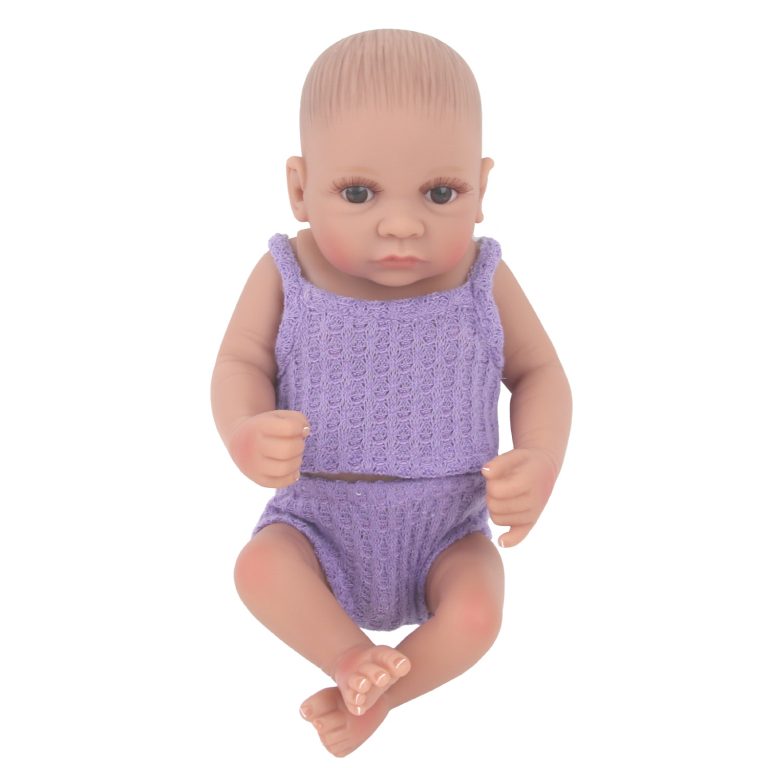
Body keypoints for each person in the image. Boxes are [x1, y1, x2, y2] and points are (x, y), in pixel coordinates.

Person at [211, 29, 572, 757]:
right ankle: (348, 657)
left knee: (476, 614)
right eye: (358, 192)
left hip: (449, 530)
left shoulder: (481, 276)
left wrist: (539, 459)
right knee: (259, 569)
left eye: (441, 193)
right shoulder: (289, 272)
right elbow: (239, 360)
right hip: (317, 520)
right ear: (299, 189)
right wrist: (245, 429)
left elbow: (540, 373)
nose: (403, 224)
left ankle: (384, 697)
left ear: (481, 187)